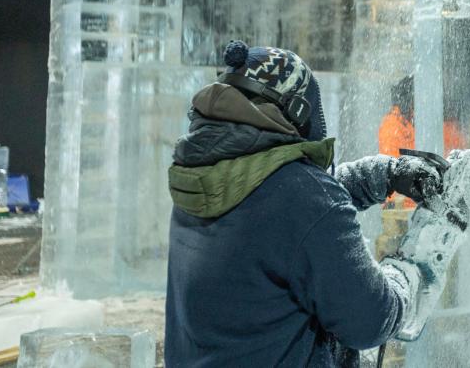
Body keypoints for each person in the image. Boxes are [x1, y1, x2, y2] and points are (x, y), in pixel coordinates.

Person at [165, 40, 443, 367]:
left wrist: (383, 175)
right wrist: (408, 269)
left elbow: (283, 215)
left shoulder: (205, 177)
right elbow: (371, 320)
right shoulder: (302, 199)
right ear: (298, 110)